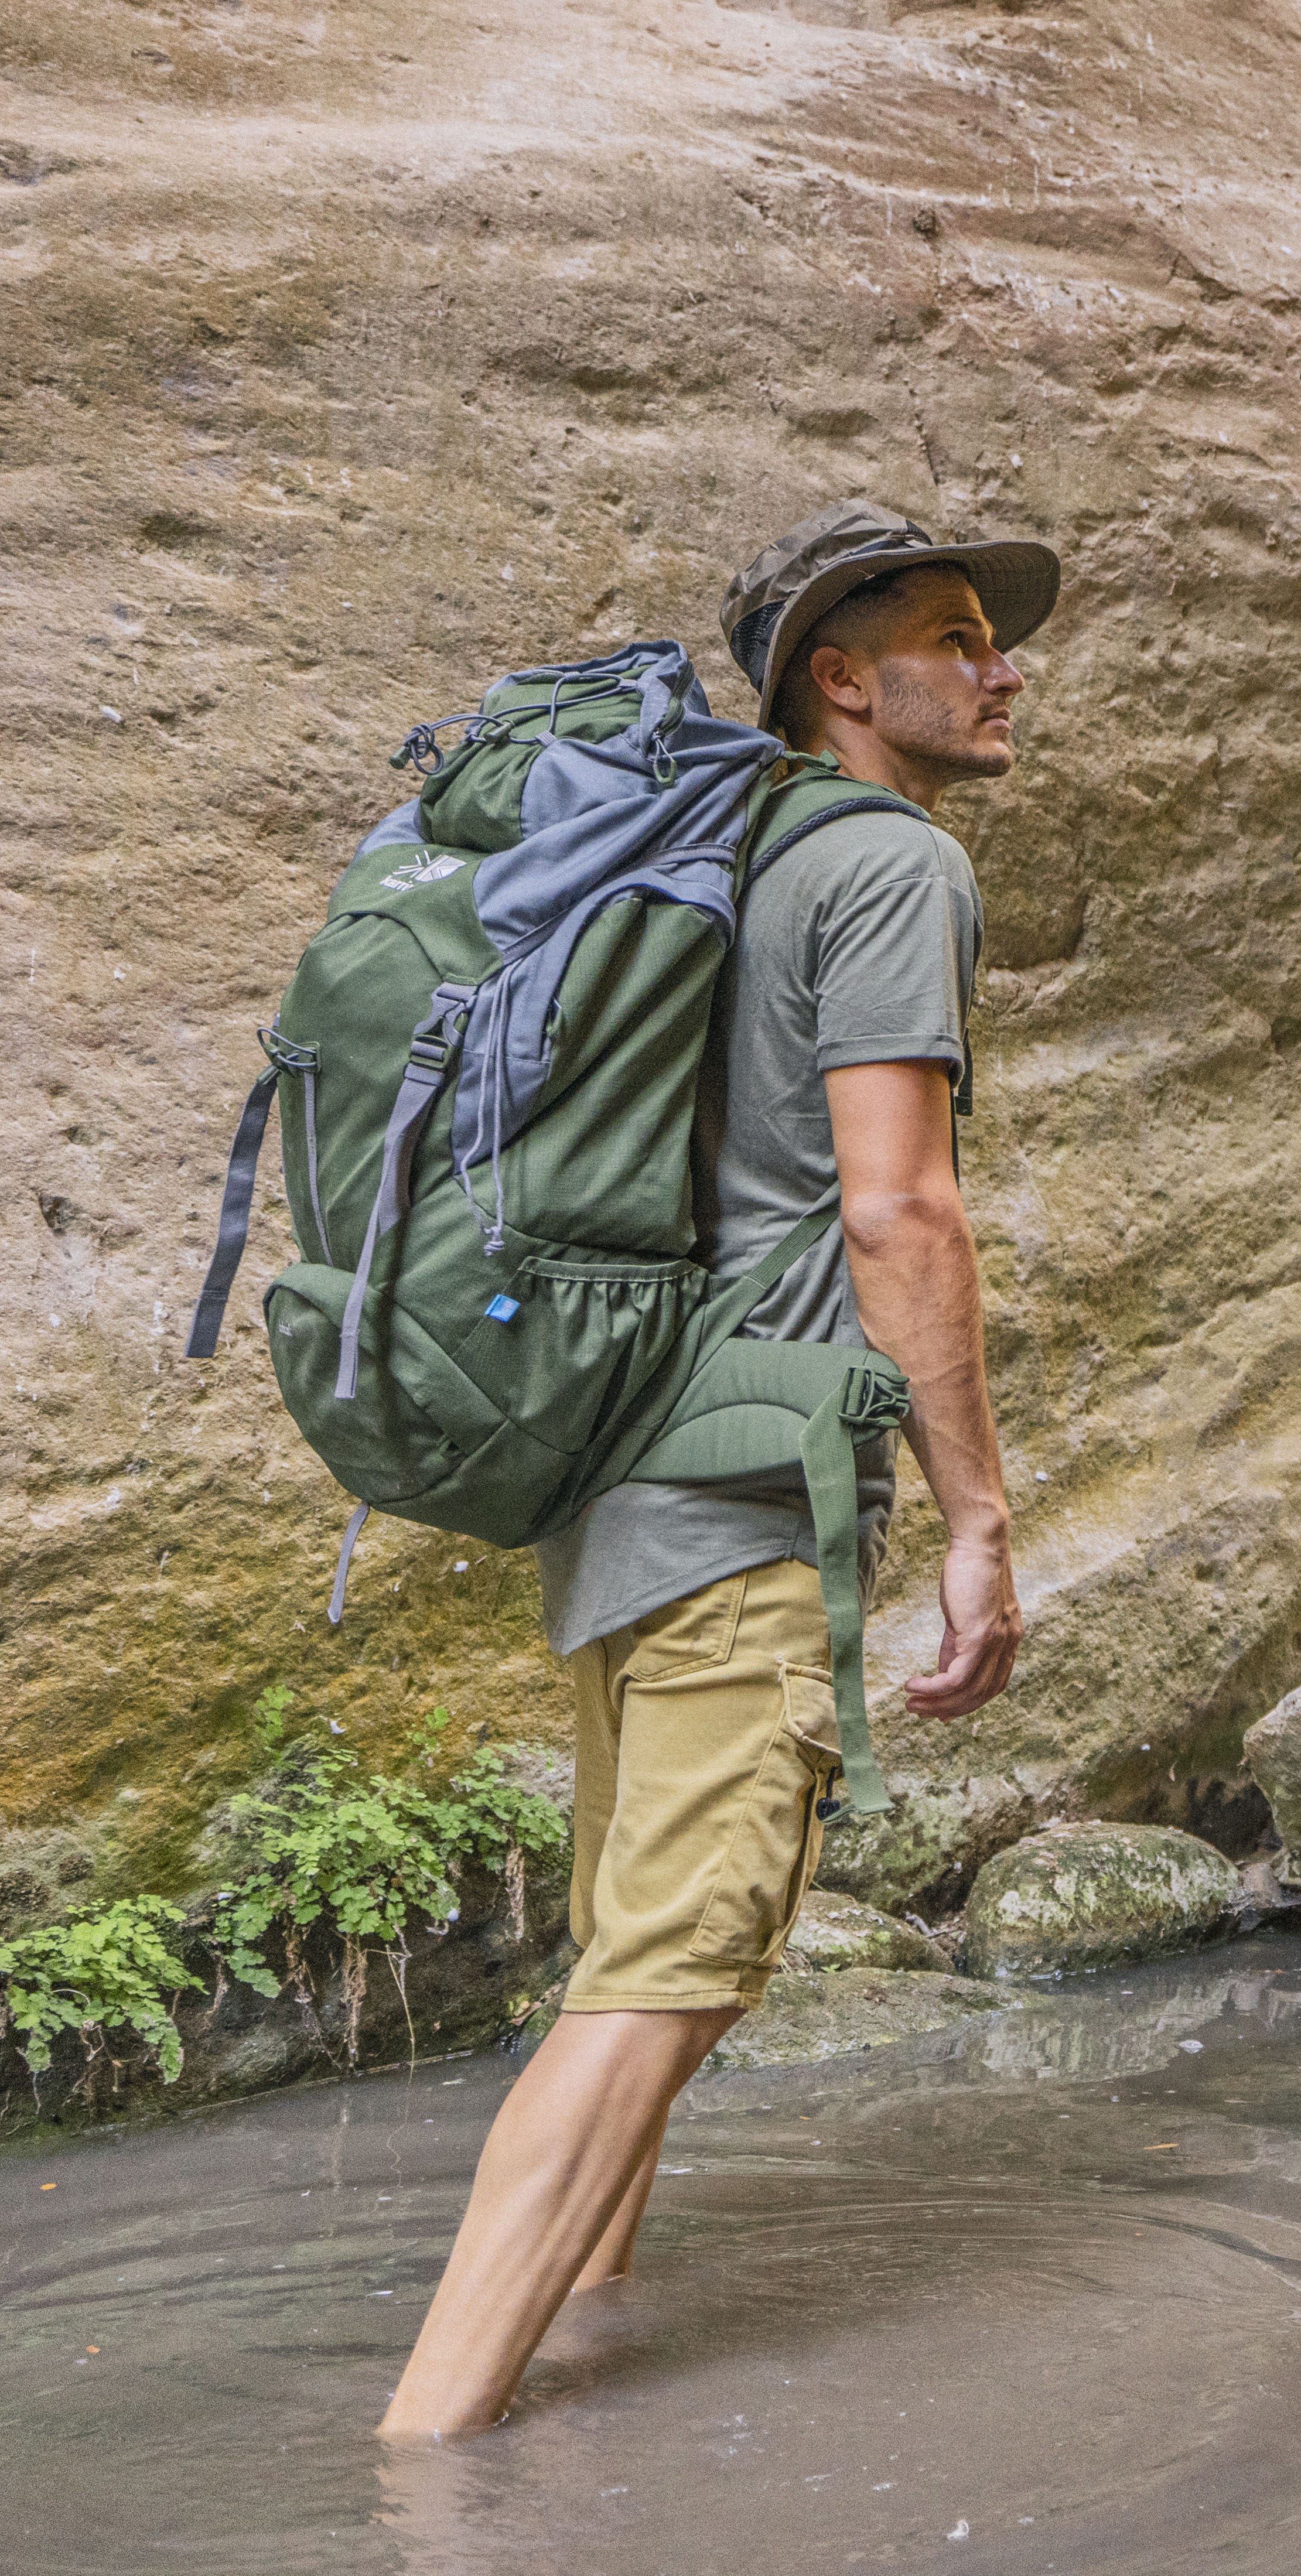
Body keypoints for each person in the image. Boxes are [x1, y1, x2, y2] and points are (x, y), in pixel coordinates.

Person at [381, 501, 1055, 2437]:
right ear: (842, 683)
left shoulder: (698, 865)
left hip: (616, 1488)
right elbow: (896, 1205)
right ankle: (420, 2476)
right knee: (665, 1978)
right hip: (746, 1504)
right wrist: (979, 1517)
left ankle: (580, 2343)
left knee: (646, 1964)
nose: (1001, 665)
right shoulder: (883, 867)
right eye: (954, 634)